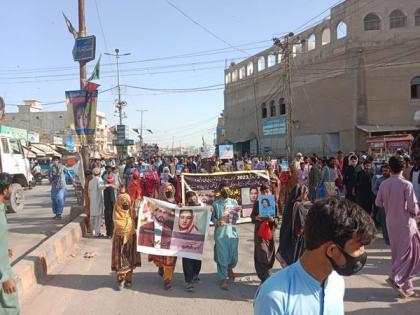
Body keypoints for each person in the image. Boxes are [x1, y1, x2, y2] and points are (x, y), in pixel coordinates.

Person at [254, 197, 376, 315]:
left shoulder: (336, 282)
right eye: (358, 247)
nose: (362, 252)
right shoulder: (273, 297)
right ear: (332, 250)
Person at [375, 156, 420, 298]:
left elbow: (378, 203)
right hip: (406, 223)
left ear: (390, 167)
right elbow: (413, 207)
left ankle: (408, 287)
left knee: (398, 254)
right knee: (411, 254)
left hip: (391, 222)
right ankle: (396, 278)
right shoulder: (406, 184)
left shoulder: (383, 184)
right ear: (404, 167)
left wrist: (392, 203)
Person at [147, 183, 178, 290]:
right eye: (167, 190)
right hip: (160, 234)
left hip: (172, 235)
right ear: (162, 191)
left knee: (170, 258)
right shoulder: (158, 202)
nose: (169, 192)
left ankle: (167, 279)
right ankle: (161, 267)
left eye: (171, 190)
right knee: (160, 256)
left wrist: (180, 208)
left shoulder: (175, 202)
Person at [211, 181, 240, 290]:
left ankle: (230, 268)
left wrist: (238, 212)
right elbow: (212, 218)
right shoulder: (216, 204)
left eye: (228, 189)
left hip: (232, 233)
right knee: (222, 255)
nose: (226, 191)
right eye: (223, 190)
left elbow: (237, 218)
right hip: (221, 234)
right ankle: (223, 278)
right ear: (220, 191)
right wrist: (217, 222)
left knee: (233, 255)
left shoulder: (234, 202)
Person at [111, 193, 141, 290]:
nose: (125, 204)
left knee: (130, 259)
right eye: (123, 202)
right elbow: (119, 225)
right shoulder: (116, 213)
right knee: (120, 260)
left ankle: (128, 279)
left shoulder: (131, 212)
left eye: (127, 202)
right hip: (120, 240)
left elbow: (138, 221)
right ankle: (120, 280)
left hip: (131, 238)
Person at [251, 184, 279, 283]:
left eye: (267, 191)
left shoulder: (274, 205)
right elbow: (252, 218)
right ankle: (264, 278)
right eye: (263, 192)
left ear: (271, 192)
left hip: (270, 233)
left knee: (270, 254)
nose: (265, 193)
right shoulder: (257, 204)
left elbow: (277, 219)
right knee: (261, 253)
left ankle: (268, 274)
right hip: (260, 234)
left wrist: (273, 220)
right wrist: (257, 217)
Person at [0, 173, 19, 314]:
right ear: (5, 190)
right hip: (2, 274)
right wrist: (5, 277)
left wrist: (5, 249)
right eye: (11, 186)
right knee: (10, 308)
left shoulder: (2, 208)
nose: (12, 189)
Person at [181, 191, 203, 292]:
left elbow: (209, 218)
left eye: (194, 199)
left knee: (197, 259)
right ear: (187, 201)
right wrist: (180, 208)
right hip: (186, 239)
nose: (193, 201)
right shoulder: (184, 208)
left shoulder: (203, 208)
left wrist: (211, 210)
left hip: (198, 238)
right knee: (187, 259)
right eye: (191, 200)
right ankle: (188, 281)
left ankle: (195, 275)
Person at [372, 164, 391, 245]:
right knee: (384, 221)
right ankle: (387, 238)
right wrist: (380, 195)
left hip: (393, 205)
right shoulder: (379, 180)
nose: (384, 172)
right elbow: (374, 189)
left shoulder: (392, 179)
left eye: (386, 171)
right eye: (383, 171)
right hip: (383, 205)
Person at [88, 168, 106, 237]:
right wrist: (108, 185)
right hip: (98, 201)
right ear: (99, 173)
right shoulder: (99, 179)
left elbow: (89, 192)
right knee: (98, 218)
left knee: (93, 218)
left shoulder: (90, 181)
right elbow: (101, 187)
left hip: (92, 202)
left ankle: (93, 232)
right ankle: (97, 233)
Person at [49, 155, 66, 219]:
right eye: (54, 160)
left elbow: (68, 172)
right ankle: (56, 213)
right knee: (54, 199)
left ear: (58, 161)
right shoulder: (51, 168)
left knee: (60, 199)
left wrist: (73, 181)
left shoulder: (62, 167)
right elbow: (50, 177)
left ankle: (59, 213)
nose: (55, 161)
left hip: (61, 185)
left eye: (56, 160)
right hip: (54, 186)